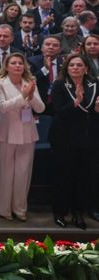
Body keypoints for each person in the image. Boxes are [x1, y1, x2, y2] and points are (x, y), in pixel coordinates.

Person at [0, 52, 45, 221]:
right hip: (5, 133)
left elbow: (41, 108)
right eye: (13, 63)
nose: (17, 65)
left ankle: (20, 209)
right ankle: (3, 209)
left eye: (20, 63)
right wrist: (23, 97)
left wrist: (31, 96)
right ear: (6, 66)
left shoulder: (30, 83)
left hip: (27, 133)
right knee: (4, 172)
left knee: (23, 173)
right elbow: (2, 107)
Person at [49, 54, 97, 229]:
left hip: (86, 138)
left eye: (79, 65)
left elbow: (92, 111)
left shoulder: (94, 85)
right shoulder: (60, 85)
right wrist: (76, 102)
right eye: (72, 65)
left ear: (86, 69)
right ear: (66, 68)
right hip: (63, 137)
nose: (75, 68)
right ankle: (60, 213)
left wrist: (96, 110)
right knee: (63, 177)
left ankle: (78, 213)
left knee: (83, 178)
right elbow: (57, 111)